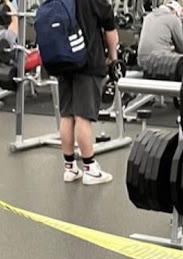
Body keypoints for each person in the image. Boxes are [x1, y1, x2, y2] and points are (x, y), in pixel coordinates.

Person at [58, 0, 119, 185]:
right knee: (83, 116)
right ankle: (90, 169)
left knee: (67, 115)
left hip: (63, 61)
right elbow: (110, 29)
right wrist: (113, 58)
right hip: (88, 62)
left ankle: (69, 167)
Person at [137, 0, 183, 75]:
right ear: (175, 12)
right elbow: (182, 49)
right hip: (158, 61)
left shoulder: (148, 16)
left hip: (141, 61)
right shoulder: (174, 19)